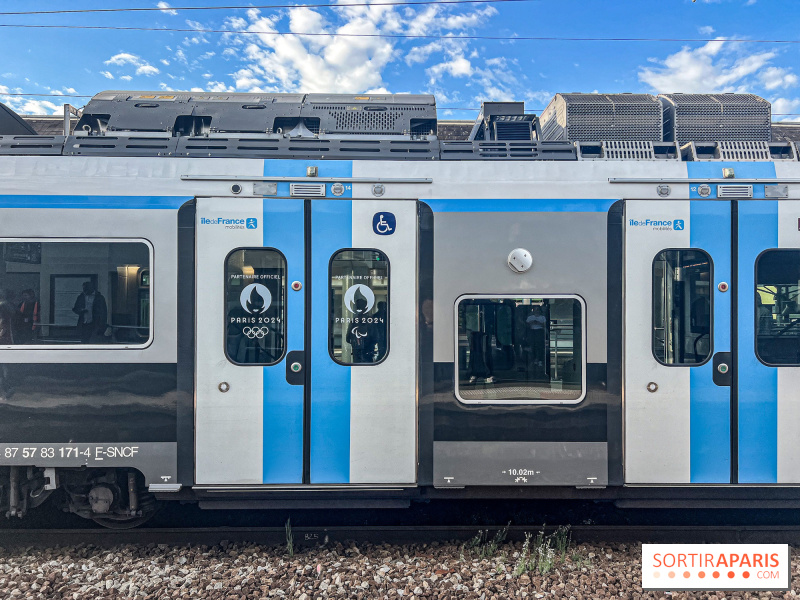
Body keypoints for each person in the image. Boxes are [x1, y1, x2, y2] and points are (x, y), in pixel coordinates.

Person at [525, 305, 547, 374]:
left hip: (540, 332)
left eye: (538, 309)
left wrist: (539, 323)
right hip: (532, 332)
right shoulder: (530, 317)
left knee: (540, 346)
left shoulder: (542, 317)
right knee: (533, 346)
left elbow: (544, 325)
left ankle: (540, 360)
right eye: (535, 309)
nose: (537, 311)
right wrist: (532, 323)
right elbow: (527, 325)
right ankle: (534, 360)